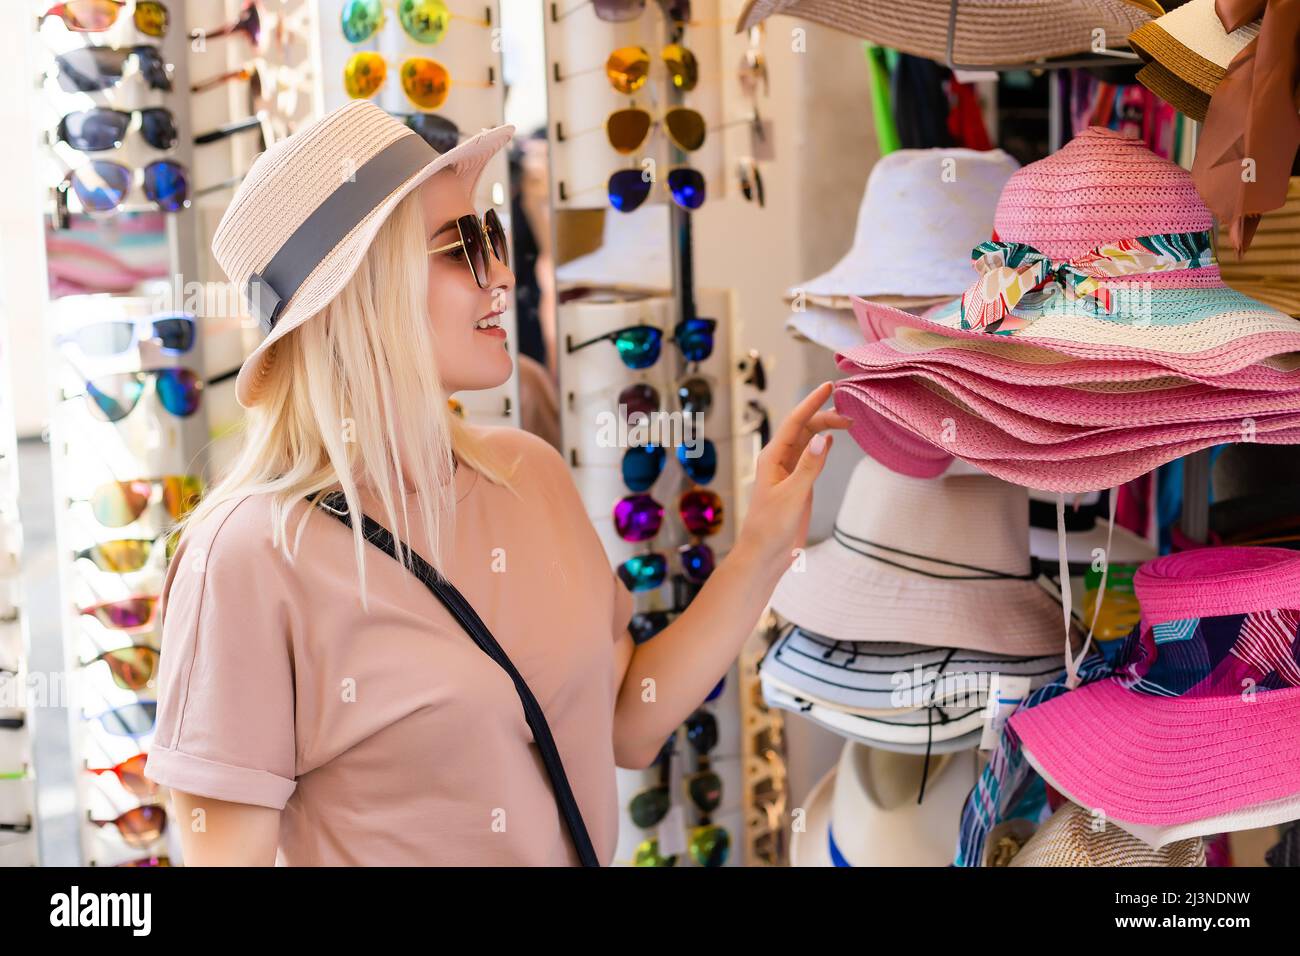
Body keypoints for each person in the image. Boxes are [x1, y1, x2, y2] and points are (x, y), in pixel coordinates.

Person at [142, 101, 848, 866]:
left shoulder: (528, 473)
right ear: (360, 295)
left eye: (492, 236)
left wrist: (764, 547)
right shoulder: (246, 557)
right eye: (463, 247)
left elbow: (627, 722)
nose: (504, 273)